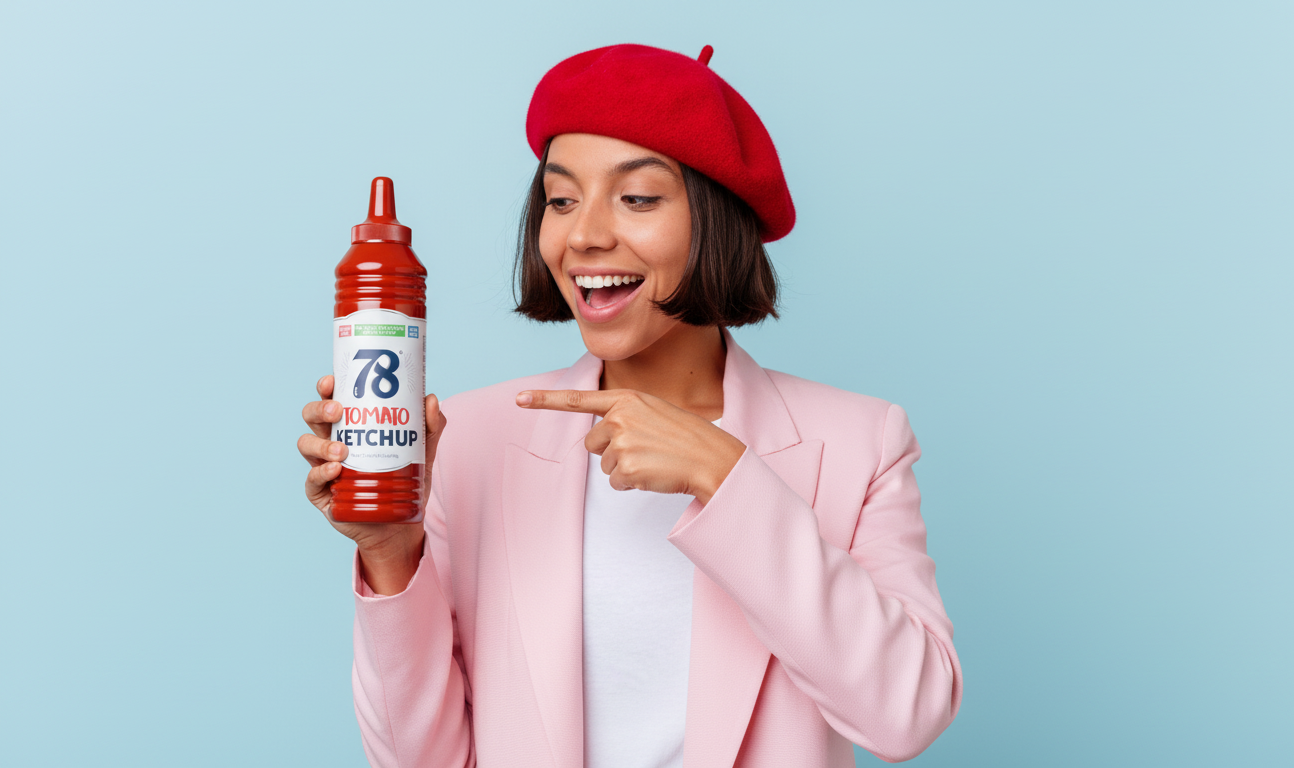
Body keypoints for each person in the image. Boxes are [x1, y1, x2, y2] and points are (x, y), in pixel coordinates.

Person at [297, 43, 962, 768]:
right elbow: (420, 760)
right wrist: (392, 557)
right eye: (560, 199)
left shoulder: (859, 442)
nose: (584, 235)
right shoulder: (471, 440)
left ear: (717, 221)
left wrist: (728, 479)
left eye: (638, 197)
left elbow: (908, 715)